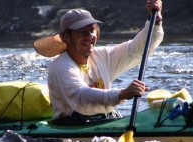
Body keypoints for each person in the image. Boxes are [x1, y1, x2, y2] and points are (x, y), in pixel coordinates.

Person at [33, 0, 164, 125]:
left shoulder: (102, 55)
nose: (89, 36)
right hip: (72, 124)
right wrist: (121, 94)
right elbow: (80, 96)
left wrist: (155, 21)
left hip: (104, 120)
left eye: (91, 30)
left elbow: (136, 49)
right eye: (82, 32)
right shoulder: (61, 66)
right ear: (66, 37)